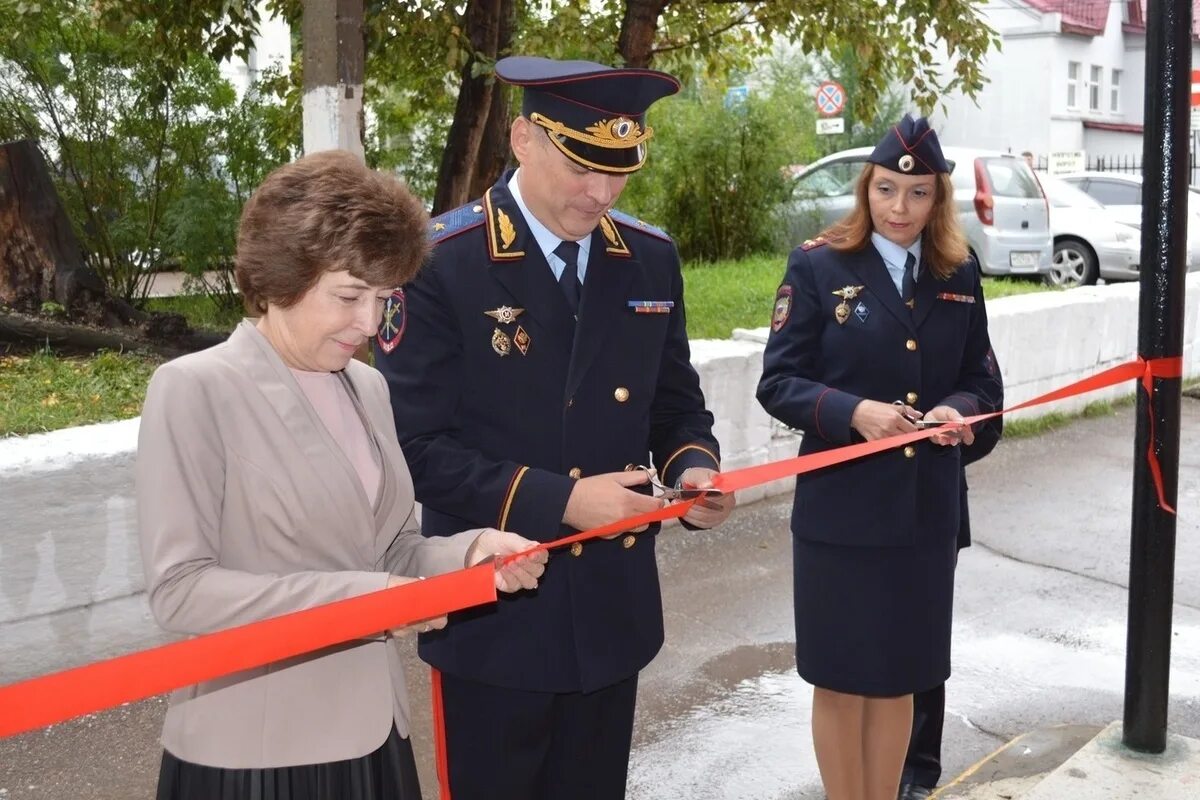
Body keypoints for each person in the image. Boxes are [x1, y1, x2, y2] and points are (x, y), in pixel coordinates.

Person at [373, 56, 736, 800]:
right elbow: (412, 450)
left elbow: (675, 404)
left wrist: (695, 469)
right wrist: (564, 502)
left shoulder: (648, 260)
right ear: (524, 140)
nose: (600, 193)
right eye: (581, 167)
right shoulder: (440, 263)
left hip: (611, 613)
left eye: (619, 172)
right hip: (494, 618)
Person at [135, 149, 547, 800]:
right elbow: (181, 591)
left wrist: (470, 553)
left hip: (376, 737)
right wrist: (371, 598)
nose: (370, 324)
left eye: (383, 298)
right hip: (256, 754)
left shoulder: (368, 388)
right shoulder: (194, 389)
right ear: (283, 277)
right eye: (350, 296)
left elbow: (390, 550)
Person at [756, 114, 1000, 800]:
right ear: (866, 189)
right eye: (886, 189)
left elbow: (983, 383)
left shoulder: (958, 271)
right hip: (842, 516)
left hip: (924, 516)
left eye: (918, 193)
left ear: (938, 198)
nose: (900, 207)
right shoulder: (818, 265)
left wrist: (958, 413)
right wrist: (854, 413)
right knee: (840, 681)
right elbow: (779, 382)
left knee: (899, 679)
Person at [900, 353, 1004, 800]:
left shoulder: (957, 305)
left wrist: (949, 426)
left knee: (919, 639)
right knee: (855, 644)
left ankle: (916, 772)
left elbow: (987, 399)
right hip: (849, 503)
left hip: (930, 504)